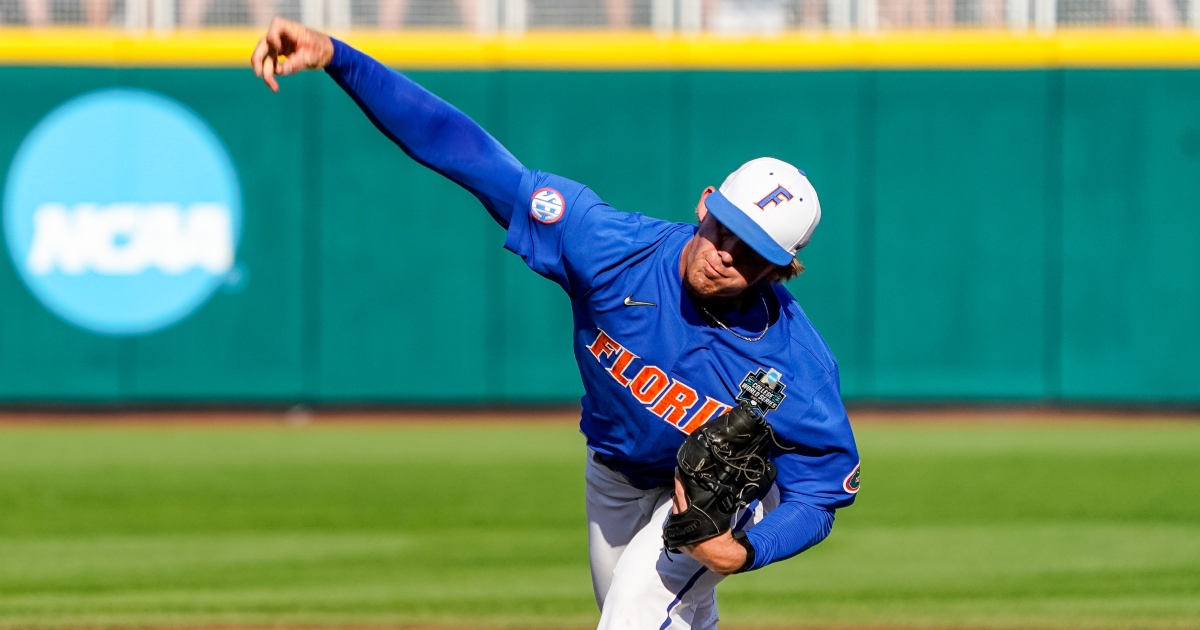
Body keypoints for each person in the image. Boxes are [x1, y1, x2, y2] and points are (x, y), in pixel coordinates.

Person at [251, 18, 860, 629]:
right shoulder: (608, 248)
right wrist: (337, 56)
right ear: (705, 204)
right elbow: (460, 150)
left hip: (714, 498)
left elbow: (820, 493)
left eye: (754, 251)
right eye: (727, 227)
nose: (728, 252)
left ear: (782, 271)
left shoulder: (795, 365)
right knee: (666, 618)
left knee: (632, 615)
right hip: (615, 476)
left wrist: (746, 549)